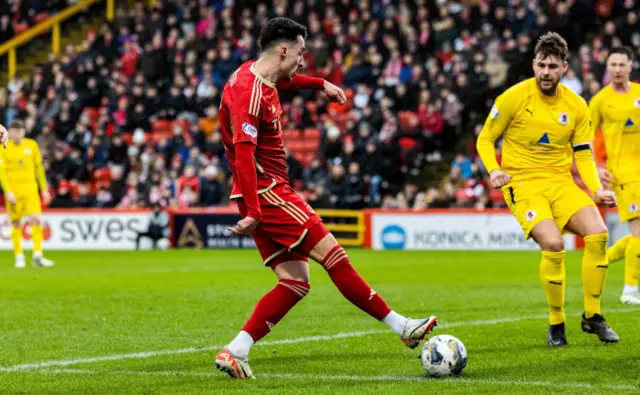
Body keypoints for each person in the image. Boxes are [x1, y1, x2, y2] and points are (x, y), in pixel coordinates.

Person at [215, 17, 437, 379]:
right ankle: (403, 327)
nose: (303, 60)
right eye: (301, 52)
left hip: (259, 191)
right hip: (268, 191)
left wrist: (321, 85)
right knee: (334, 256)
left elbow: (286, 80)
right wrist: (255, 210)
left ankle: (236, 350)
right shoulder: (249, 94)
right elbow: (243, 153)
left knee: (295, 283)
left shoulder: (255, 75)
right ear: (283, 49)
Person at [476, 32, 619, 347]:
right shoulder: (513, 97)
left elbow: (582, 152)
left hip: (560, 183)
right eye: (541, 64)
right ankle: (556, 323)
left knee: (598, 234)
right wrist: (494, 169)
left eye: (552, 66)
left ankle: (592, 316)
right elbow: (485, 139)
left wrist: (595, 189)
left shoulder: (576, 106)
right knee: (553, 243)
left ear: (564, 68)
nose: (545, 72)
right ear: (533, 64)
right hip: (523, 184)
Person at [590, 47, 640, 305]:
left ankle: (602, 259)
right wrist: (597, 166)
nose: (618, 69)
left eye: (622, 64)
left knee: (636, 237)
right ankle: (630, 290)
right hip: (624, 175)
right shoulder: (600, 100)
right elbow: (584, 137)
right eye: (614, 64)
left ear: (631, 66)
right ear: (607, 67)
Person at [0, 120, 54, 268]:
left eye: (20, 130)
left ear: (24, 131)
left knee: (36, 219)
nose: (17, 134)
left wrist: (44, 188)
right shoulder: (3, 147)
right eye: (14, 131)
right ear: (9, 132)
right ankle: (19, 256)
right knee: (16, 223)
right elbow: (1, 172)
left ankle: (38, 255)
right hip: (14, 192)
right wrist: (8, 191)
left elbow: (39, 169)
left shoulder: (31, 145)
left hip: (30, 190)